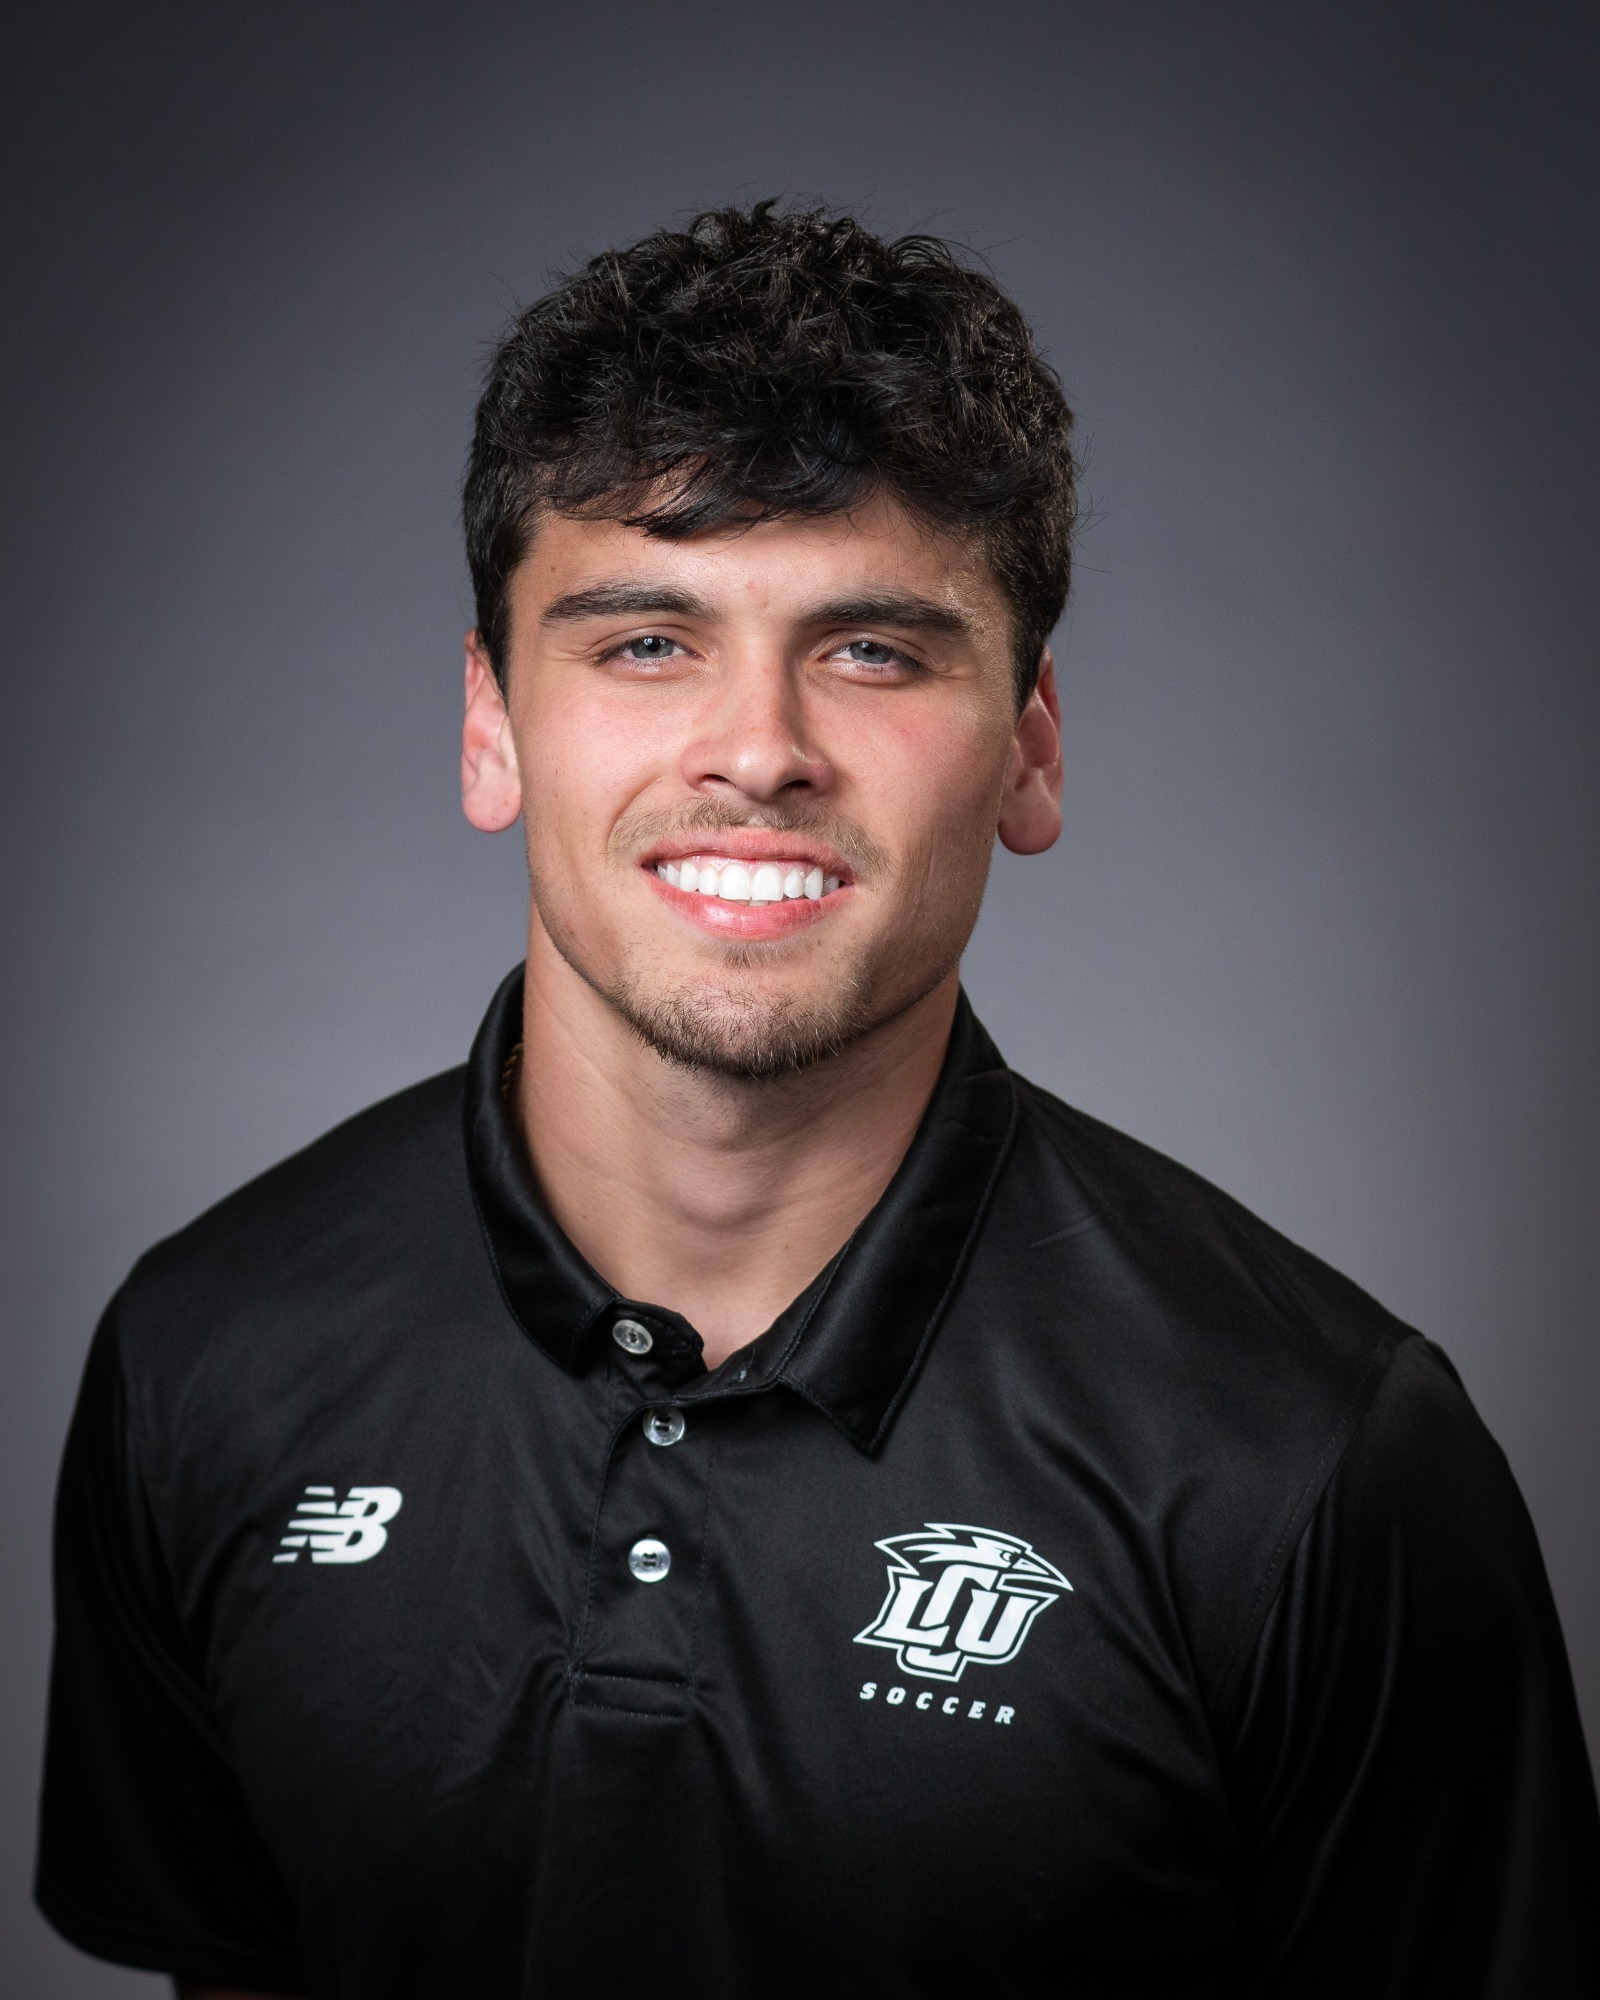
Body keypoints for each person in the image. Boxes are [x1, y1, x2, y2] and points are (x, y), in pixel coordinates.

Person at [35, 201, 1600, 2000]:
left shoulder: (1316, 1462)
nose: (759, 745)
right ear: (490, 724)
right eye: (644, 642)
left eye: (874, 649)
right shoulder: (210, 1349)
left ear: (1031, 745)